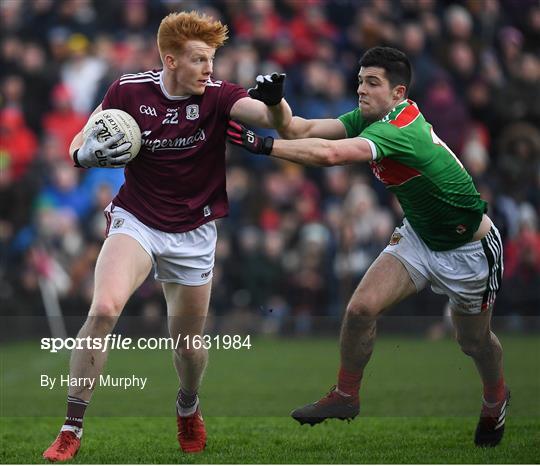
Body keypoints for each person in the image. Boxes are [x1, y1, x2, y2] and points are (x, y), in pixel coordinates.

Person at [228, 46, 509, 448]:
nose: (361, 89)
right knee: (360, 309)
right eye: (360, 80)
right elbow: (298, 130)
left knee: (473, 343)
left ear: (398, 92)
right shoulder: (370, 117)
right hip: (420, 235)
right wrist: (277, 106)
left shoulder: (400, 129)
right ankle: (346, 396)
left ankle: (496, 396)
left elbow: (329, 155)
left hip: (469, 249)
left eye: (372, 83)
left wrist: (263, 146)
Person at [42, 11, 290, 461]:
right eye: (200, 60)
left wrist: (275, 102)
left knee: (189, 346)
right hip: (137, 219)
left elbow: (272, 119)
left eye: (212, 59)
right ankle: (70, 428)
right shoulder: (129, 90)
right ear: (171, 60)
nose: (210, 69)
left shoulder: (218, 96)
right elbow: (83, 136)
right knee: (103, 308)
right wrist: (81, 153)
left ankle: (187, 405)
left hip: (194, 231)